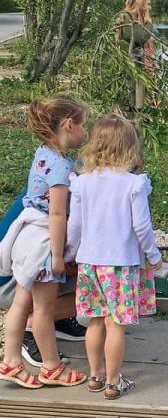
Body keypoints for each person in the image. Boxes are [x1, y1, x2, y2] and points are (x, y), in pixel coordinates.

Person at [67, 113, 162, 400]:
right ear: (129, 148)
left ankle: (94, 376)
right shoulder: (133, 184)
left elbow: (76, 226)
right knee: (115, 324)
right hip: (121, 265)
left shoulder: (82, 182)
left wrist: (70, 252)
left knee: (94, 321)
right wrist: (154, 255)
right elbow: (142, 227)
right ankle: (113, 381)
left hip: (90, 263)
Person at [0, 95, 89, 389]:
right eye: (82, 126)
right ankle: (52, 367)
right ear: (67, 124)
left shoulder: (43, 154)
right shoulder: (61, 170)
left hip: (25, 237)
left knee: (21, 304)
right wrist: (57, 255)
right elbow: (58, 213)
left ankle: (10, 361)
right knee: (43, 310)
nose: (84, 133)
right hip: (43, 243)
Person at [115, 0, 156, 110]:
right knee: (131, 92)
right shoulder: (125, 17)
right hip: (128, 64)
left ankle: (137, 108)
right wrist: (149, 23)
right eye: (145, 5)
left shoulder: (130, 17)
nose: (148, 8)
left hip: (133, 65)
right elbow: (140, 37)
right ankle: (133, 109)